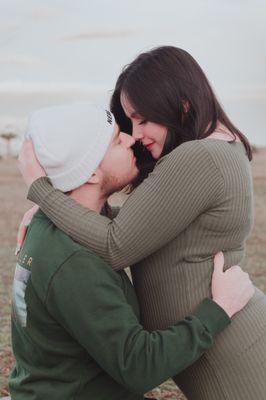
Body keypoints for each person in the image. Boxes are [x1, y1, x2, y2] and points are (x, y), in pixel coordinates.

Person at [17, 47, 266, 400]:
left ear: (180, 104)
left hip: (233, 356)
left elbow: (116, 244)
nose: (136, 133)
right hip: (221, 348)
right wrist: (56, 211)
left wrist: (44, 193)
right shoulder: (212, 149)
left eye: (142, 118)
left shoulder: (201, 156)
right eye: (129, 123)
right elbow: (146, 225)